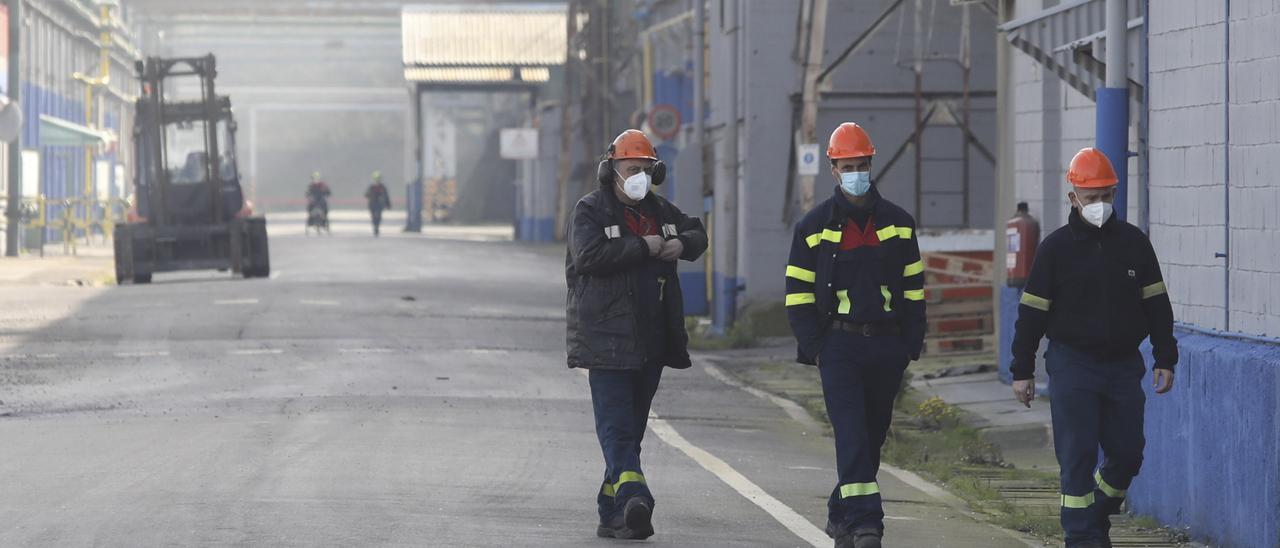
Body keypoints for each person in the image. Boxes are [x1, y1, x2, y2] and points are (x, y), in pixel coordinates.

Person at [1010, 147, 1177, 548]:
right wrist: (1022, 370)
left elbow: (1157, 304)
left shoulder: (1134, 244)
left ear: (1115, 193)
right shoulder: (1056, 250)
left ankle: (1097, 511)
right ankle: (1082, 537)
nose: (1099, 204)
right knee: (1078, 454)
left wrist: (1165, 357)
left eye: (1106, 195)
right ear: (1073, 198)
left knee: (1128, 452)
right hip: (1072, 364)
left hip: (1122, 365)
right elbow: (1031, 314)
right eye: (1091, 197)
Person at [784, 122, 927, 548]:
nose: (856, 173)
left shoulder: (899, 224)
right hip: (839, 347)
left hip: (887, 345)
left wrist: (908, 346)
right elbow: (797, 294)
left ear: (871, 163)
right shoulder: (812, 227)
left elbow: (915, 290)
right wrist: (817, 349)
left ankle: (840, 512)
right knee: (851, 433)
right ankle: (867, 524)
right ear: (833, 169)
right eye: (847, 166)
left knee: (872, 435)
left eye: (861, 165)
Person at [565, 129, 707, 541]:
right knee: (616, 428)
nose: (639, 177)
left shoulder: (661, 212)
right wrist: (644, 247)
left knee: (633, 428)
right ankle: (635, 494)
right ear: (611, 171)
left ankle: (614, 512)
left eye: (646, 170)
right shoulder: (589, 211)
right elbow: (588, 256)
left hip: (650, 340)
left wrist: (680, 244)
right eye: (632, 169)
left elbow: (698, 232)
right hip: (604, 338)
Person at [364, 171, 392, 236]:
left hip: (379, 204)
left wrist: (388, 204)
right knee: (374, 217)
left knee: (379, 217)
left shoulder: (382, 187)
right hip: (372, 204)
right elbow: (366, 195)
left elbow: (386, 196)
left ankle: (377, 227)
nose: (377, 180)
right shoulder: (371, 187)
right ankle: (375, 227)